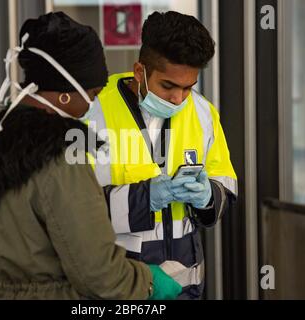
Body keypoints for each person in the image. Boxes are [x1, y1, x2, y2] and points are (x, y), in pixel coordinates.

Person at [0, 12, 182, 300]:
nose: (93, 103)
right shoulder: (60, 157)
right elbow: (100, 275)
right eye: (92, 93)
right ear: (65, 94)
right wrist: (149, 282)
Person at [87, 11, 238, 299]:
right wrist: (147, 198)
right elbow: (70, 210)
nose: (178, 99)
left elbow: (226, 187)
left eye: (188, 88)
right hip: (117, 288)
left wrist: (208, 196)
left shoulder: (204, 113)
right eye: (168, 86)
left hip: (185, 289)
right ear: (139, 71)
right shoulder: (93, 112)